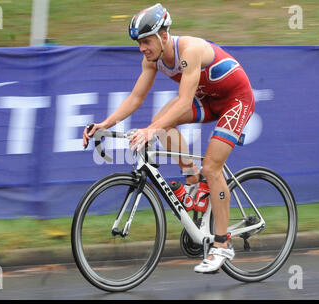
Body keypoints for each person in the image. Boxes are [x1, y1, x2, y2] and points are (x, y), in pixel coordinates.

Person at [83, 3, 255, 273]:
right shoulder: (152, 59)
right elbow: (136, 97)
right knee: (162, 121)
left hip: (236, 100)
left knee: (212, 166)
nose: (142, 47)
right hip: (209, 100)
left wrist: (151, 131)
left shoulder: (190, 50)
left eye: (146, 41)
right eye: (139, 43)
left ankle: (222, 245)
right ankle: (191, 179)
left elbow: (185, 102)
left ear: (164, 35)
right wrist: (105, 124)